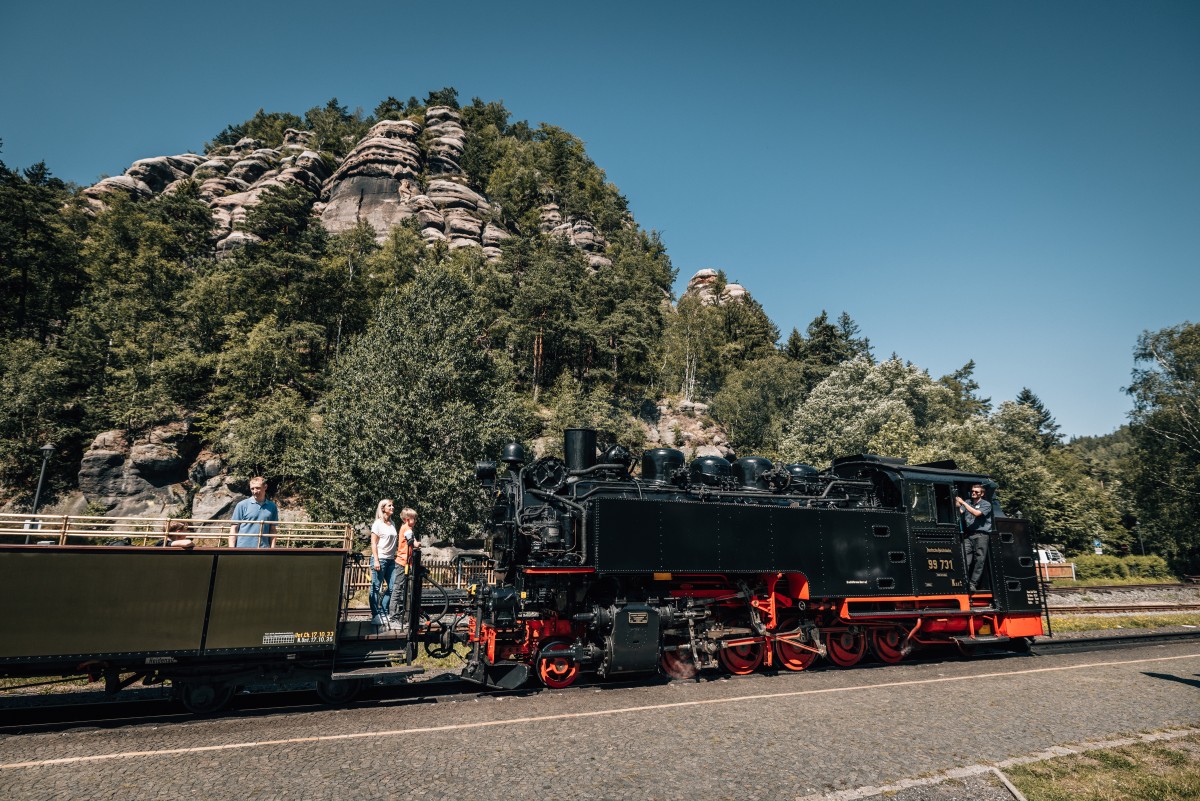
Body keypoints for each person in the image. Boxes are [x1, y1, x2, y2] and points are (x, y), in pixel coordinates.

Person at [956, 483, 993, 593]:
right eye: (972, 491)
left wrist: (963, 503)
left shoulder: (986, 504)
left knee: (979, 560)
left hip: (981, 535)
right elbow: (960, 511)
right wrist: (957, 502)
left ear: (981, 494)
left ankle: (973, 584)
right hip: (969, 535)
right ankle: (963, 581)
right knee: (964, 559)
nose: (974, 493)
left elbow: (976, 513)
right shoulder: (967, 502)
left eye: (976, 492)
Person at [388, 507, 421, 625]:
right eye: (414, 519)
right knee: (398, 589)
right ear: (407, 519)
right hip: (402, 562)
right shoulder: (407, 529)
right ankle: (392, 617)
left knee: (403, 589)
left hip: (405, 562)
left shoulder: (406, 528)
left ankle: (401, 615)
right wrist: (418, 544)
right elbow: (415, 543)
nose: (415, 521)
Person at [369, 499, 398, 625]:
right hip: (380, 559)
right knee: (375, 588)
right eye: (389, 506)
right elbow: (374, 543)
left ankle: (383, 612)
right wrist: (376, 560)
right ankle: (376, 615)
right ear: (382, 508)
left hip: (391, 560)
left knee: (393, 587)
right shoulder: (377, 524)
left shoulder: (392, 524)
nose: (392, 507)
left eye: (392, 505)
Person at [228, 477, 278, 548]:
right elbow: (234, 528)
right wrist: (231, 549)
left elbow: (272, 530)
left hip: (263, 549)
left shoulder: (272, 507)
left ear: (265, 487)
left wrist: (272, 549)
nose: (254, 491)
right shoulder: (242, 505)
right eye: (252, 488)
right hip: (243, 548)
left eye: (257, 488)